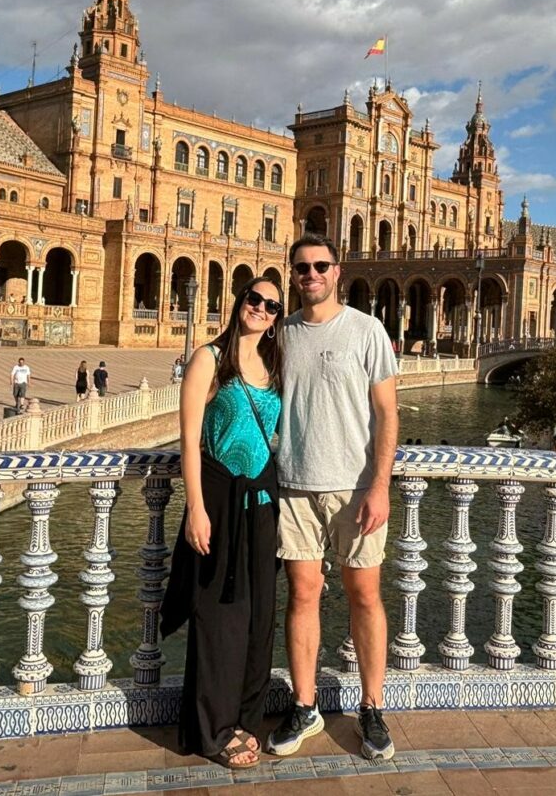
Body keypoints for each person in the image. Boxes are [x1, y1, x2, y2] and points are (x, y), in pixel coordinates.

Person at [266, 233, 399, 763]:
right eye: (302, 268)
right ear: (292, 274)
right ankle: (305, 704)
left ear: (337, 271)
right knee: (301, 595)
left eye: (320, 265)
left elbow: (388, 414)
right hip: (296, 483)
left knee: (364, 595)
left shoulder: (367, 331)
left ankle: (371, 706)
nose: (311, 275)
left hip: (356, 487)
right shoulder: (281, 333)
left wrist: (381, 485)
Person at [161, 276, 284, 770]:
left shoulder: (275, 363)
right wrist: (195, 507)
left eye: (272, 305)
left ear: (277, 318)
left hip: (262, 499)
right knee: (218, 615)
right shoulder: (209, 358)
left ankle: (245, 719)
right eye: (254, 299)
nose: (261, 308)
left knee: (258, 615)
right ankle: (211, 728)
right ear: (240, 302)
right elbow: (188, 439)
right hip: (218, 493)